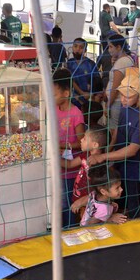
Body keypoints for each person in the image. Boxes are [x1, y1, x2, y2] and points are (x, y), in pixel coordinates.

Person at [90, 77, 140, 219]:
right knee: (118, 200)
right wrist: (109, 149)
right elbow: (118, 130)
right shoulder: (125, 106)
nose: (123, 99)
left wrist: (102, 156)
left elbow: (133, 149)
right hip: (120, 162)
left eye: (128, 96)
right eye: (121, 94)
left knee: (134, 203)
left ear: (139, 94)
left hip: (135, 169)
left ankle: (136, 226)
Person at [54, 69, 86, 227]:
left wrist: (62, 145)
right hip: (56, 166)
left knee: (68, 203)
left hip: (70, 169)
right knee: (58, 202)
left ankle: (70, 230)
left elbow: (81, 143)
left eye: (54, 94)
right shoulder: (53, 110)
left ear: (66, 94)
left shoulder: (76, 114)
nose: (51, 98)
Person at [65, 126, 108, 215]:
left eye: (84, 139)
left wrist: (83, 201)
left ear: (95, 145)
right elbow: (70, 164)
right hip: (78, 197)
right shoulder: (85, 155)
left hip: (89, 202)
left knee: (86, 220)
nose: (81, 140)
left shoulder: (100, 164)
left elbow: (98, 189)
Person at [105, 33, 134, 127]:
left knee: (114, 130)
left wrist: (108, 105)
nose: (109, 50)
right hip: (119, 101)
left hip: (116, 102)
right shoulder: (128, 59)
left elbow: (115, 88)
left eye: (111, 47)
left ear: (118, 47)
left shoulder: (121, 62)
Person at [66, 37, 99, 108]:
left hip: (87, 102)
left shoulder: (90, 64)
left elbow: (97, 83)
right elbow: (67, 81)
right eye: (75, 46)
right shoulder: (69, 63)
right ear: (72, 47)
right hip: (71, 102)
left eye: (81, 47)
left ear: (85, 50)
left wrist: (91, 94)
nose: (77, 49)